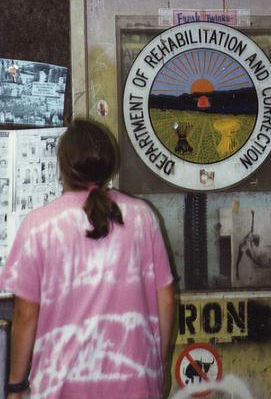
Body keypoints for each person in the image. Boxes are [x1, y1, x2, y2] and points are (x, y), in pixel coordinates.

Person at [0, 118, 175, 399]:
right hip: (136, 382)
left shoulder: (39, 225)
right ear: (107, 164)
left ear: (63, 166)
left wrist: (16, 386)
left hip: (62, 385)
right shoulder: (142, 216)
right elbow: (165, 299)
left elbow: (25, 314)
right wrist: (160, 367)